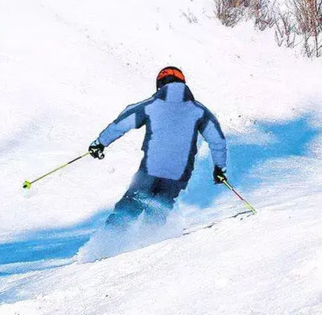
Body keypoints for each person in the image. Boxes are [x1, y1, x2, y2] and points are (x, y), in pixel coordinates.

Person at [88, 66, 228, 228]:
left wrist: (100, 143)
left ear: (160, 85)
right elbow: (217, 140)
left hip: (151, 168)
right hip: (180, 172)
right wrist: (219, 168)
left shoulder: (150, 105)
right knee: (159, 208)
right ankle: (150, 241)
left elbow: (122, 123)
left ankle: (110, 240)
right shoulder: (200, 111)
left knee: (132, 203)